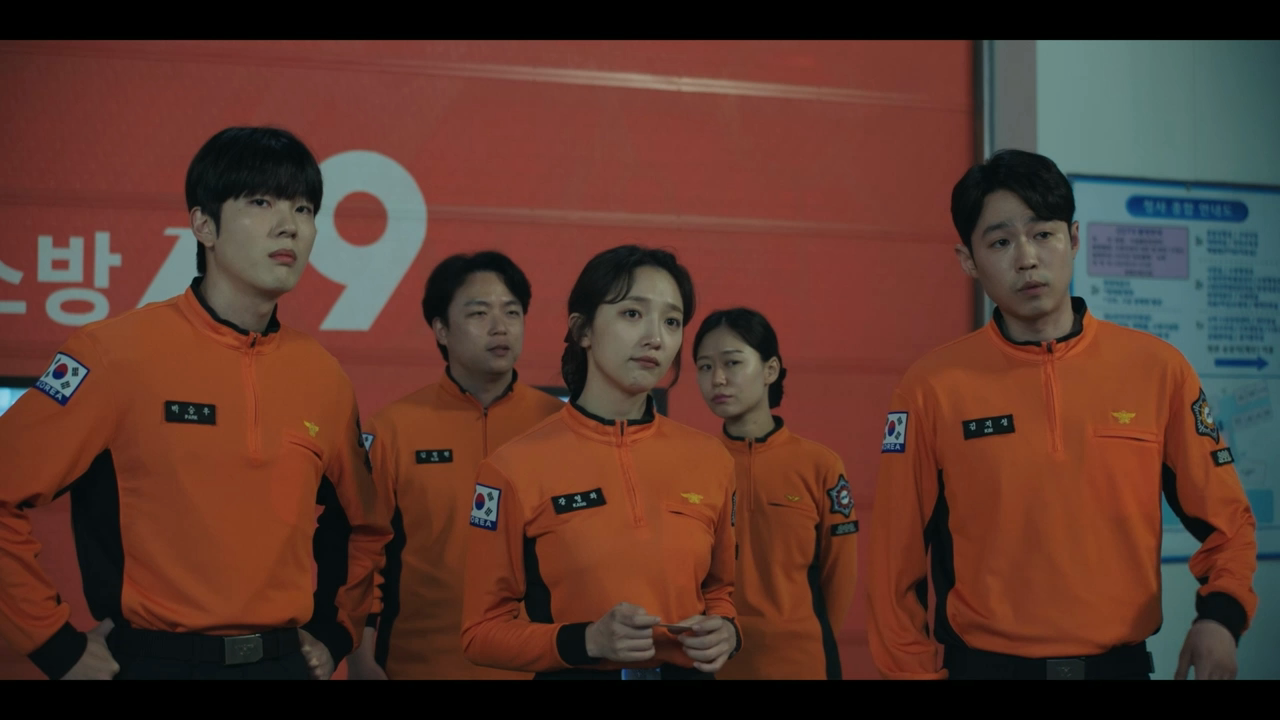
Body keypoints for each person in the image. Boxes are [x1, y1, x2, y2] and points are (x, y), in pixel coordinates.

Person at [0, 126, 394, 680]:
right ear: (204, 224)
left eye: (304, 209)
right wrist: (52, 644)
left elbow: (364, 527)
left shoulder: (322, 377)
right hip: (154, 663)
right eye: (261, 202)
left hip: (282, 665)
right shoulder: (115, 355)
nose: (289, 225)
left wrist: (336, 634)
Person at [866, 148, 1259, 681]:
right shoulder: (930, 388)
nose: (1026, 258)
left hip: (1119, 670)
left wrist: (1220, 617)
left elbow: (1228, 522)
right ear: (968, 260)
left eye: (1043, 234)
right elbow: (894, 562)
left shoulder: (1157, 370)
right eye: (1001, 242)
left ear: (1073, 239)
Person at [458, 244, 741, 680]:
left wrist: (727, 630)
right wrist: (586, 640)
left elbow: (720, 592)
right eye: (632, 314)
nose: (656, 337)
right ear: (582, 330)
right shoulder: (512, 467)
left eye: (671, 321)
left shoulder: (711, 459)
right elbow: (480, 633)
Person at [335, 251, 565, 680]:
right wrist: (360, 659)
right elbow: (364, 552)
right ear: (441, 329)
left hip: (537, 665)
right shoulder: (394, 428)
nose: (500, 327)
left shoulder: (559, 426)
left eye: (512, 312)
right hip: (417, 664)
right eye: (479, 313)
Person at [691, 307, 858, 680]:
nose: (717, 379)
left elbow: (840, 577)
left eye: (732, 363)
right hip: (715, 664)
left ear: (770, 370)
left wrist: (809, 635)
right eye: (704, 367)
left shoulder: (821, 465)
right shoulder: (692, 465)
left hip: (803, 662)